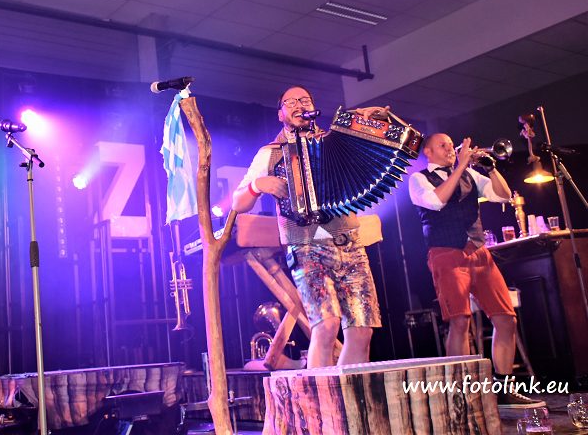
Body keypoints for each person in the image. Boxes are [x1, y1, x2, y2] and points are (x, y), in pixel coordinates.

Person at [232, 86, 384, 367]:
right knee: (326, 325)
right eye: (290, 102)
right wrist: (257, 185)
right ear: (280, 114)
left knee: (362, 331)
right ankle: (320, 394)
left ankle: (349, 391)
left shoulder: (334, 143)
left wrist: (366, 123)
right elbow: (238, 202)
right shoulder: (270, 153)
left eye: (304, 100)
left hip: (348, 241)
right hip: (305, 245)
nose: (298, 105)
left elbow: (372, 149)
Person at [408, 133, 542, 408]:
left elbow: (502, 195)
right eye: (443, 146)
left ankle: (504, 388)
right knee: (460, 322)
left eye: (451, 145)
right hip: (446, 253)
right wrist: (461, 166)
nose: (450, 149)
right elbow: (437, 201)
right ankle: (462, 393)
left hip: (479, 252)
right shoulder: (418, 179)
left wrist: (490, 168)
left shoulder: (470, 174)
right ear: (428, 153)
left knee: (506, 319)